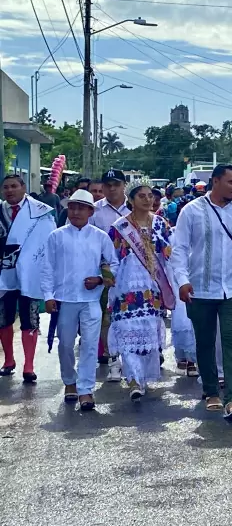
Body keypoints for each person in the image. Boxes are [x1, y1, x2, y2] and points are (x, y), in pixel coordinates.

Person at [170, 164, 232, 420]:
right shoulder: (191, 211)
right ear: (216, 181)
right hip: (200, 288)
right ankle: (211, 391)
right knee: (205, 341)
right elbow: (179, 250)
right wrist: (182, 281)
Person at [41, 190, 117, 411]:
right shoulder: (57, 236)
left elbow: (114, 265)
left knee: (90, 346)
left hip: (91, 300)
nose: (75, 212)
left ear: (90, 211)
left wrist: (101, 279)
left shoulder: (100, 237)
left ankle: (86, 390)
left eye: (81, 208)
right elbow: (47, 268)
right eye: (72, 207)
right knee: (65, 344)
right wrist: (48, 295)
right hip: (64, 300)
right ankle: (70, 382)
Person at [107, 181, 177, 402]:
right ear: (131, 199)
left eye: (150, 196)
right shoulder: (119, 227)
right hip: (126, 287)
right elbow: (112, 258)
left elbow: (171, 253)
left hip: (152, 286)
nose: (148, 200)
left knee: (147, 331)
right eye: (142, 196)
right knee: (128, 330)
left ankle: (143, 377)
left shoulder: (161, 224)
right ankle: (134, 380)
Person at [0, 175, 56, 382]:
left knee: (29, 319)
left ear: (23, 187)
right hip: (3, 275)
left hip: (30, 274)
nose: (10, 190)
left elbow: (49, 242)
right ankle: (8, 360)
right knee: (3, 319)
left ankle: (29, 365)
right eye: (6, 187)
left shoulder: (40, 212)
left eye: (14, 186)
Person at [91, 169, 131, 380]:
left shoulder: (136, 206)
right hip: (105, 272)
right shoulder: (94, 211)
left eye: (116, 184)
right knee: (108, 317)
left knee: (132, 316)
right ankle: (113, 358)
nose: (112, 188)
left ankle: (133, 359)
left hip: (135, 272)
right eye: (108, 184)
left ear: (124, 185)